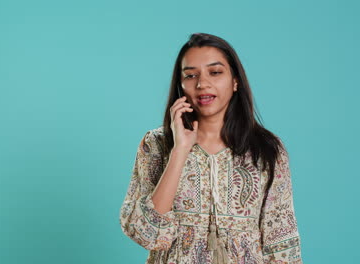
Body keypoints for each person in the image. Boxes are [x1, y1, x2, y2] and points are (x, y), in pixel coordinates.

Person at [119, 32, 303, 264]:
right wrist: (179, 151)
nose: (202, 83)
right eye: (190, 75)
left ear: (235, 80)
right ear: (181, 85)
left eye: (215, 72)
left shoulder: (267, 150)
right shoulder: (157, 144)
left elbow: (281, 244)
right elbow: (149, 234)